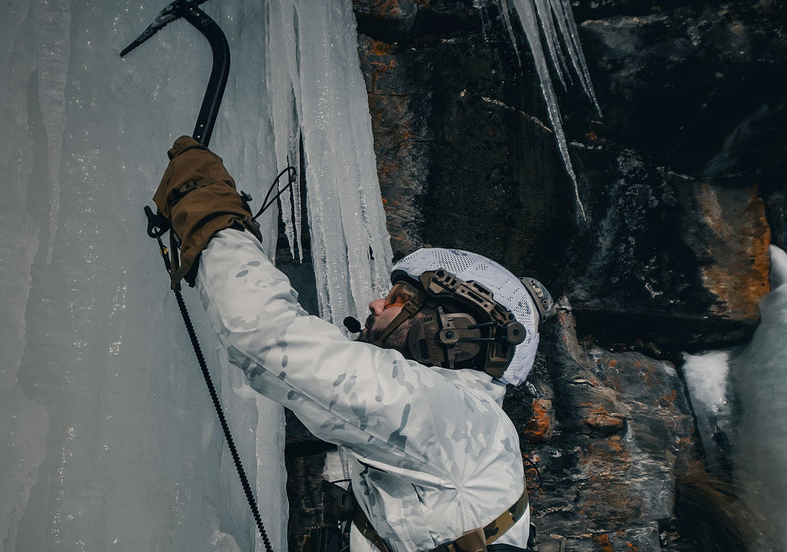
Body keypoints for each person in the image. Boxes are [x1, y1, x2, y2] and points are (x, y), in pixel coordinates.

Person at [152, 136, 557, 552]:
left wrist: (207, 208)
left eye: (399, 298)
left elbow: (263, 334)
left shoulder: (456, 419)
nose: (375, 302)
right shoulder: (470, 424)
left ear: (453, 329)